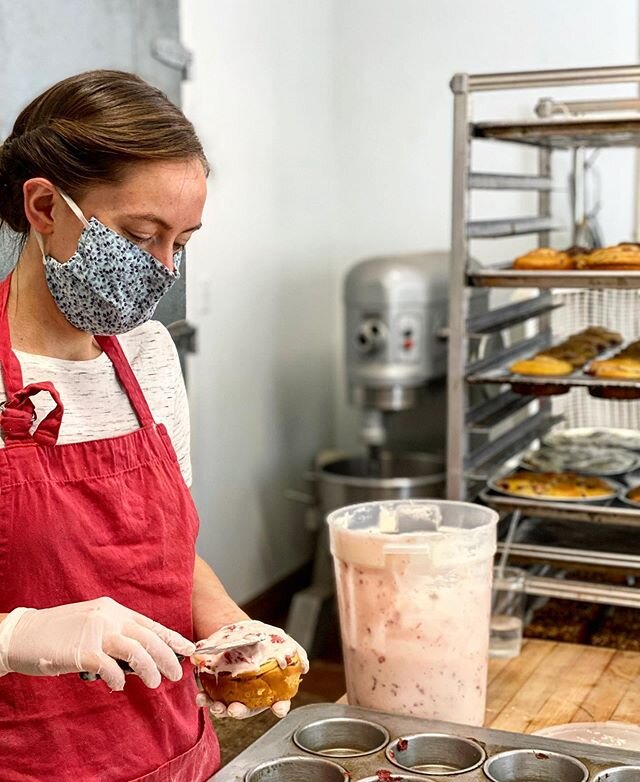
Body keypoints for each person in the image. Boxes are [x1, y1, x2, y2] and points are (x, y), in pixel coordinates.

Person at [0, 70, 307, 782]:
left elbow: (162, 551)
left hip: (172, 753)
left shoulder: (148, 354)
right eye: (141, 236)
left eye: (183, 241)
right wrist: (17, 635)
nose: (163, 269)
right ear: (45, 205)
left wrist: (231, 624)